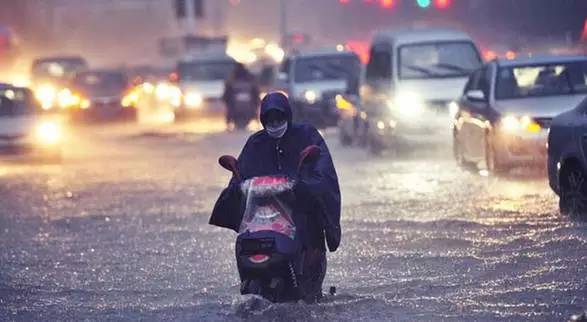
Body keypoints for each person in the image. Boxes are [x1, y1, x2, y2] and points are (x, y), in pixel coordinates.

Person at [210, 91, 341, 301]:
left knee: (311, 233)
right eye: (269, 119)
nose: (275, 123)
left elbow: (323, 171)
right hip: (264, 216)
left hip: (300, 209)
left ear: (288, 116)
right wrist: (237, 187)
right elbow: (241, 174)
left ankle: (310, 285)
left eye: (279, 118)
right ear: (262, 120)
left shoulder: (307, 135)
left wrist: (304, 185)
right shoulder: (256, 143)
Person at [222, 63, 259, 129]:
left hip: (243, 106)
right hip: (239, 106)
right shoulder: (233, 80)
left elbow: (255, 92)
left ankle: (229, 122)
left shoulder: (233, 79)